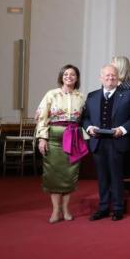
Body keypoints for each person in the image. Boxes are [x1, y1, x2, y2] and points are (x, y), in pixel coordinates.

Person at [83, 64, 130, 221]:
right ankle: (103, 207)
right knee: (102, 177)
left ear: (118, 78)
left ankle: (118, 208)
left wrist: (122, 129)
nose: (110, 78)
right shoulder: (92, 96)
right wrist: (89, 128)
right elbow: (85, 118)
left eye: (113, 75)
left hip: (117, 141)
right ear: (101, 78)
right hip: (98, 142)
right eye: (107, 76)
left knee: (116, 176)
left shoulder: (128, 95)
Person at [36, 65, 88, 223]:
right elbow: (42, 117)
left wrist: (86, 136)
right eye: (66, 74)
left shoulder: (81, 97)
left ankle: (66, 209)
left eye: (73, 74)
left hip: (73, 138)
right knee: (54, 174)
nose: (69, 77)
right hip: (54, 139)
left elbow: (86, 119)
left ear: (77, 78)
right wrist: (42, 138)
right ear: (61, 77)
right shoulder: (51, 94)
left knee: (69, 174)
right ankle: (55, 210)